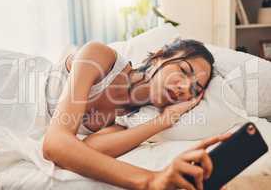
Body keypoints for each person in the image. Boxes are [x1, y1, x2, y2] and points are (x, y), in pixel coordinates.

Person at [43, 39, 226, 190]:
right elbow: (55, 145)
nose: (184, 87)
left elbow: (89, 150)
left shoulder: (136, 114)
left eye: (195, 89)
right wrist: (151, 180)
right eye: (184, 70)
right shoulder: (100, 58)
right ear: (158, 57)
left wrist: (164, 121)